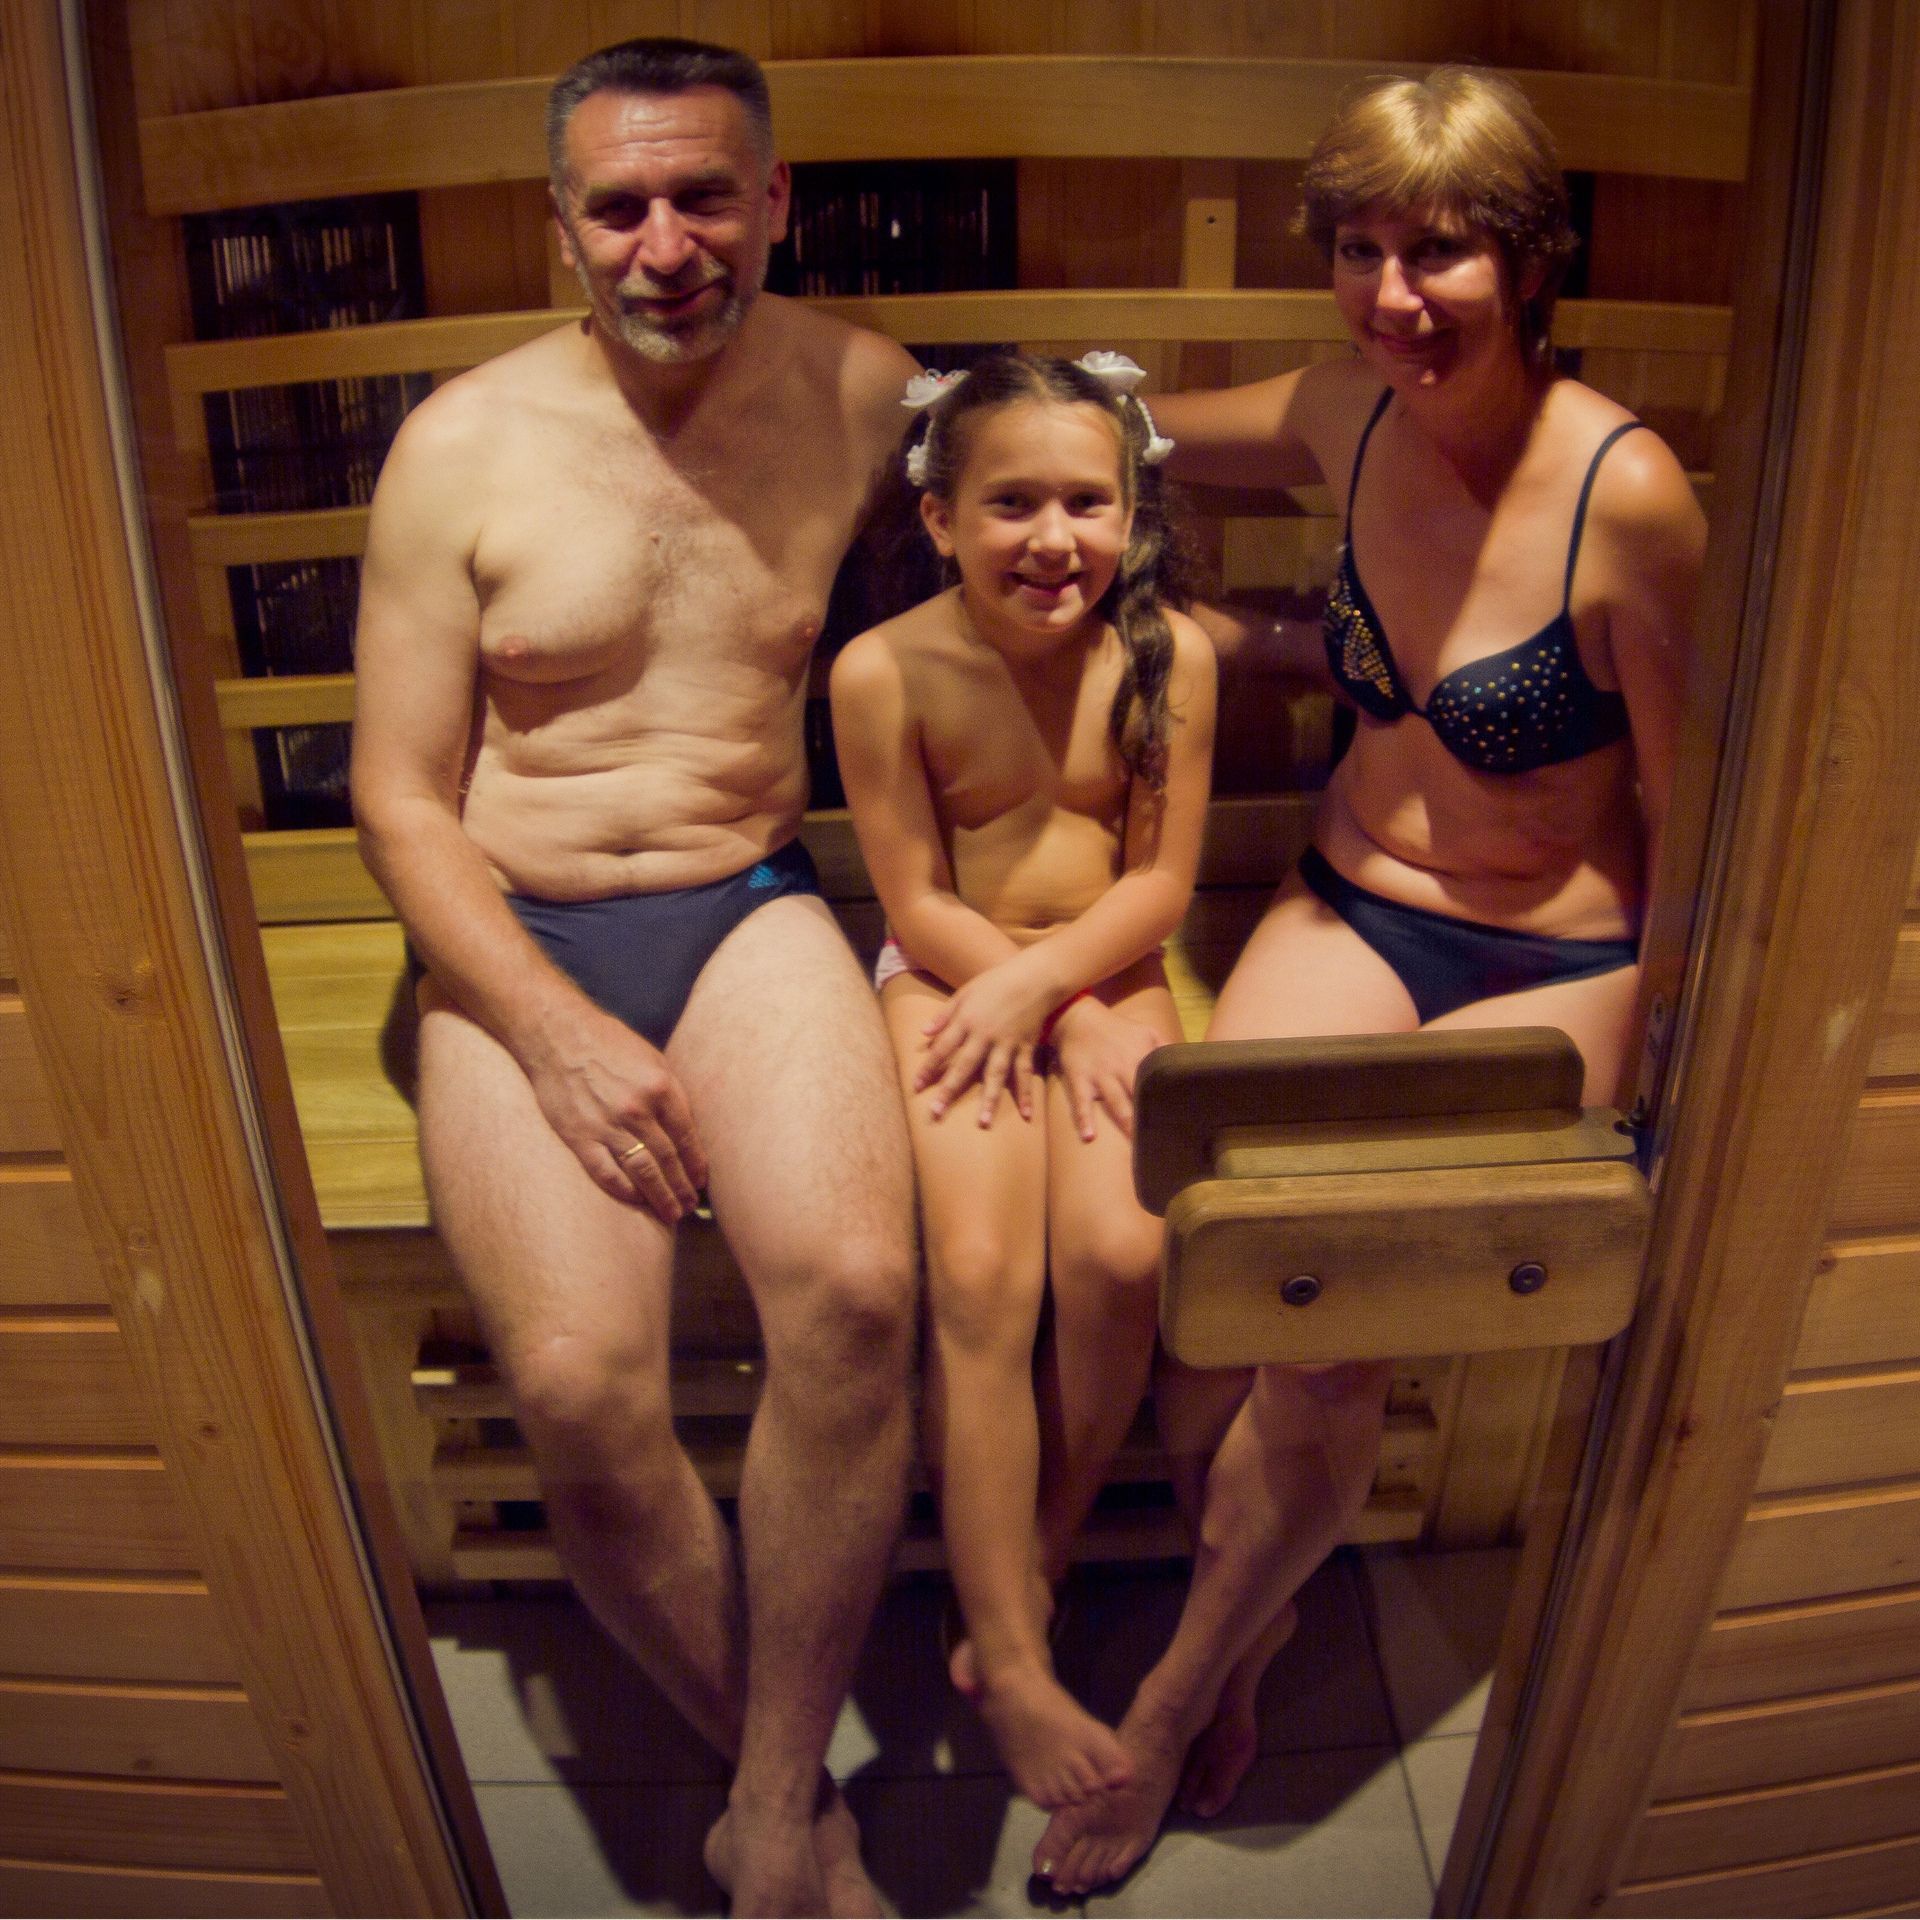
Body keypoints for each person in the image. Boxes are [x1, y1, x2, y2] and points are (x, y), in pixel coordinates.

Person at [1031, 67, 1705, 1894]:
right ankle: (1246, 1615)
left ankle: (1168, 1703)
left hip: (1550, 957)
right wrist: (967, 422)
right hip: (1347, 902)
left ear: (1534, 259)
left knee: (1323, 1332)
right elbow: (1121, 427)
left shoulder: (1629, 494)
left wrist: (1671, 1036)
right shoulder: (1344, 410)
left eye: (1443, 252)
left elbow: (1689, 798)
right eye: (1358, 250)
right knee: (1206, 1262)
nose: (1395, 297)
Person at [349, 37, 922, 1918]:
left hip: (748, 895)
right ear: (562, 226)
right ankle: (793, 1804)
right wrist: (554, 1034)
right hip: (517, 931)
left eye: (704, 197)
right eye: (620, 207)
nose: (665, 246)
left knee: (857, 1295)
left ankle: (770, 1810)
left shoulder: (867, 396)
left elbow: (1059, 539)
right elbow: (397, 800)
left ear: (777, 202)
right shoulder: (460, 447)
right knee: (581, 1384)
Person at [829, 353, 1216, 1811]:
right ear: (938, 518)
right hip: (948, 976)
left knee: (1122, 1254)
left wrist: (1069, 999)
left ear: (1131, 513)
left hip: (1113, 969)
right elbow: (915, 897)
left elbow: (1159, 882)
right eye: (1010, 504)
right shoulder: (883, 670)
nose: (1054, 539)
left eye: (1088, 503)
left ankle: (1033, 1558)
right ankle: (1009, 1648)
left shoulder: (1171, 657)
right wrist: (1031, 1003)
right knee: (982, 1272)